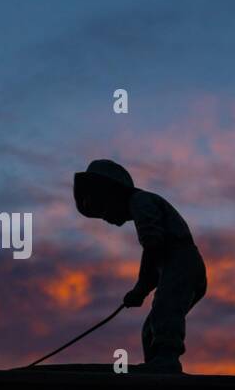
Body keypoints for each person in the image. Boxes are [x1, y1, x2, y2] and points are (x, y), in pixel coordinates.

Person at [73, 159, 207, 373]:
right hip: (176, 265)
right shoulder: (141, 204)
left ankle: (166, 360)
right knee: (151, 328)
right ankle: (156, 365)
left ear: (112, 193)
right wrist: (141, 290)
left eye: (103, 210)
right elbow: (156, 264)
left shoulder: (140, 201)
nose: (106, 218)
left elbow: (153, 245)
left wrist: (139, 289)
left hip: (183, 262)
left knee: (166, 311)